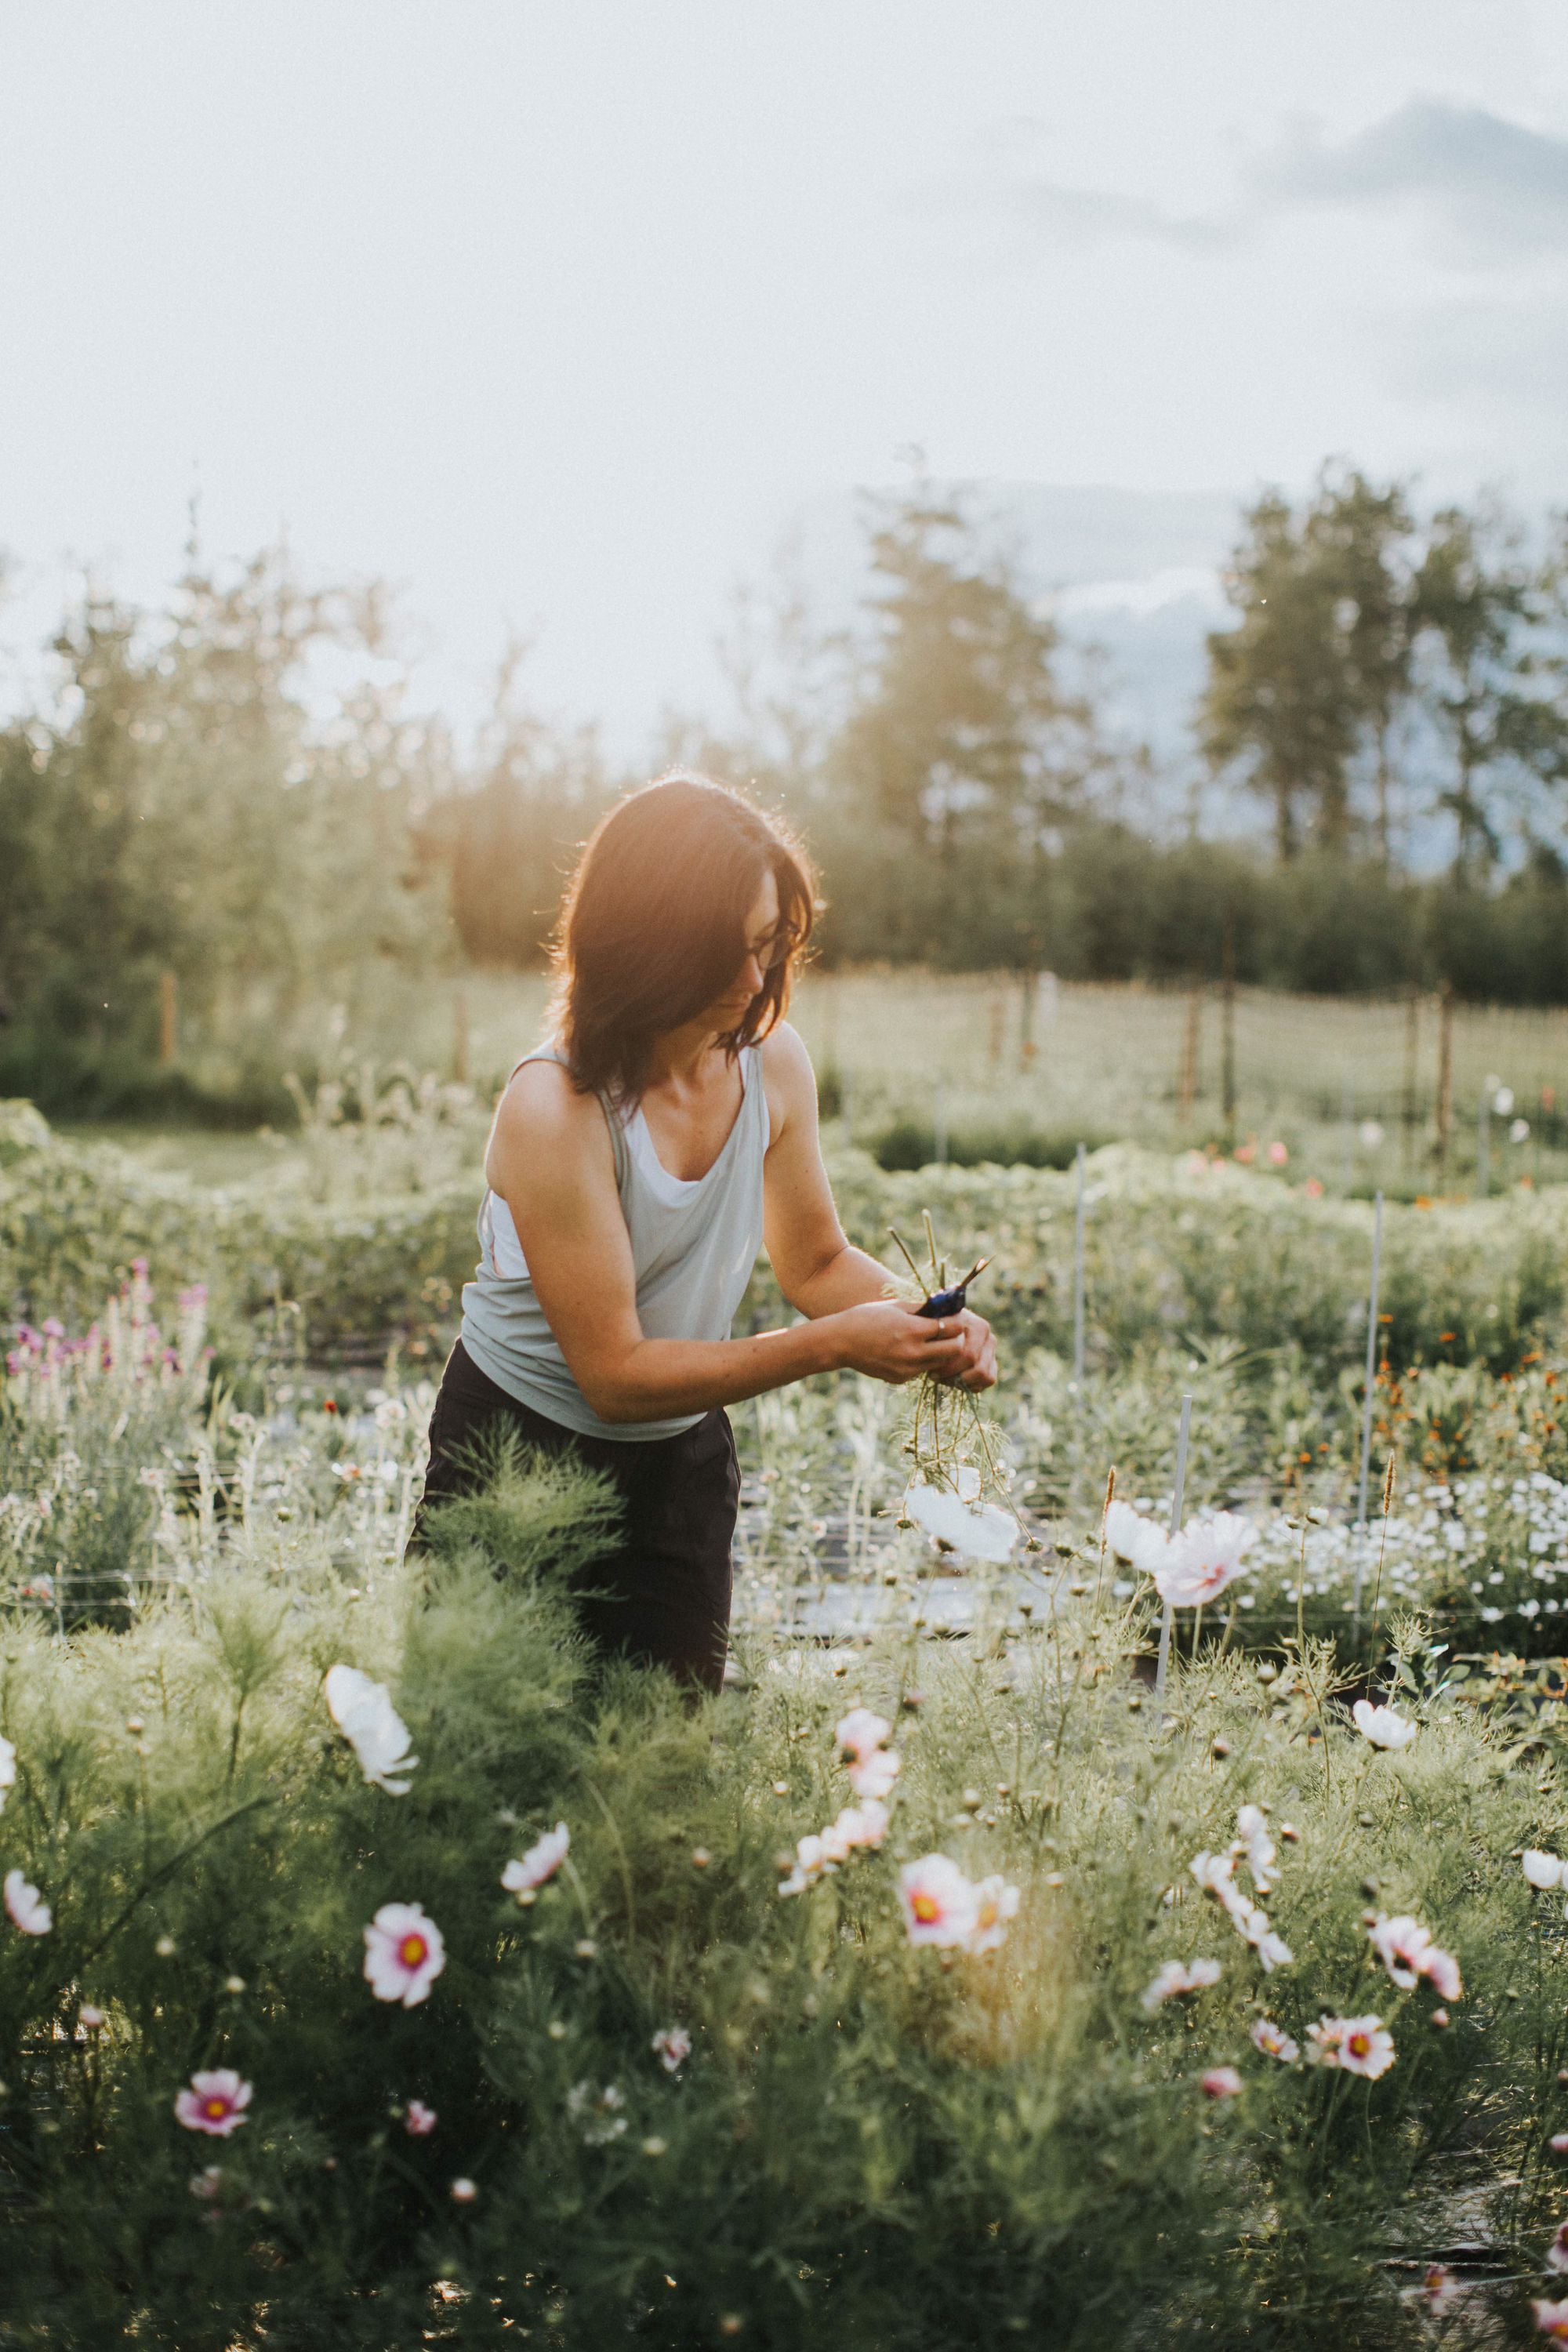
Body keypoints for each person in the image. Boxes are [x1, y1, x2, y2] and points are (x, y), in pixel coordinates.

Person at [416, 771, 996, 1692]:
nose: (750, 981)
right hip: (516, 1456)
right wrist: (831, 1346)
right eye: (716, 953)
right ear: (638, 946)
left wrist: (923, 1320)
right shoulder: (555, 1106)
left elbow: (813, 1261)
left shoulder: (772, 1065)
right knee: (476, 1770)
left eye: (766, 946)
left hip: (679, 1462)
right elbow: (612, 1376)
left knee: (657, 1780)